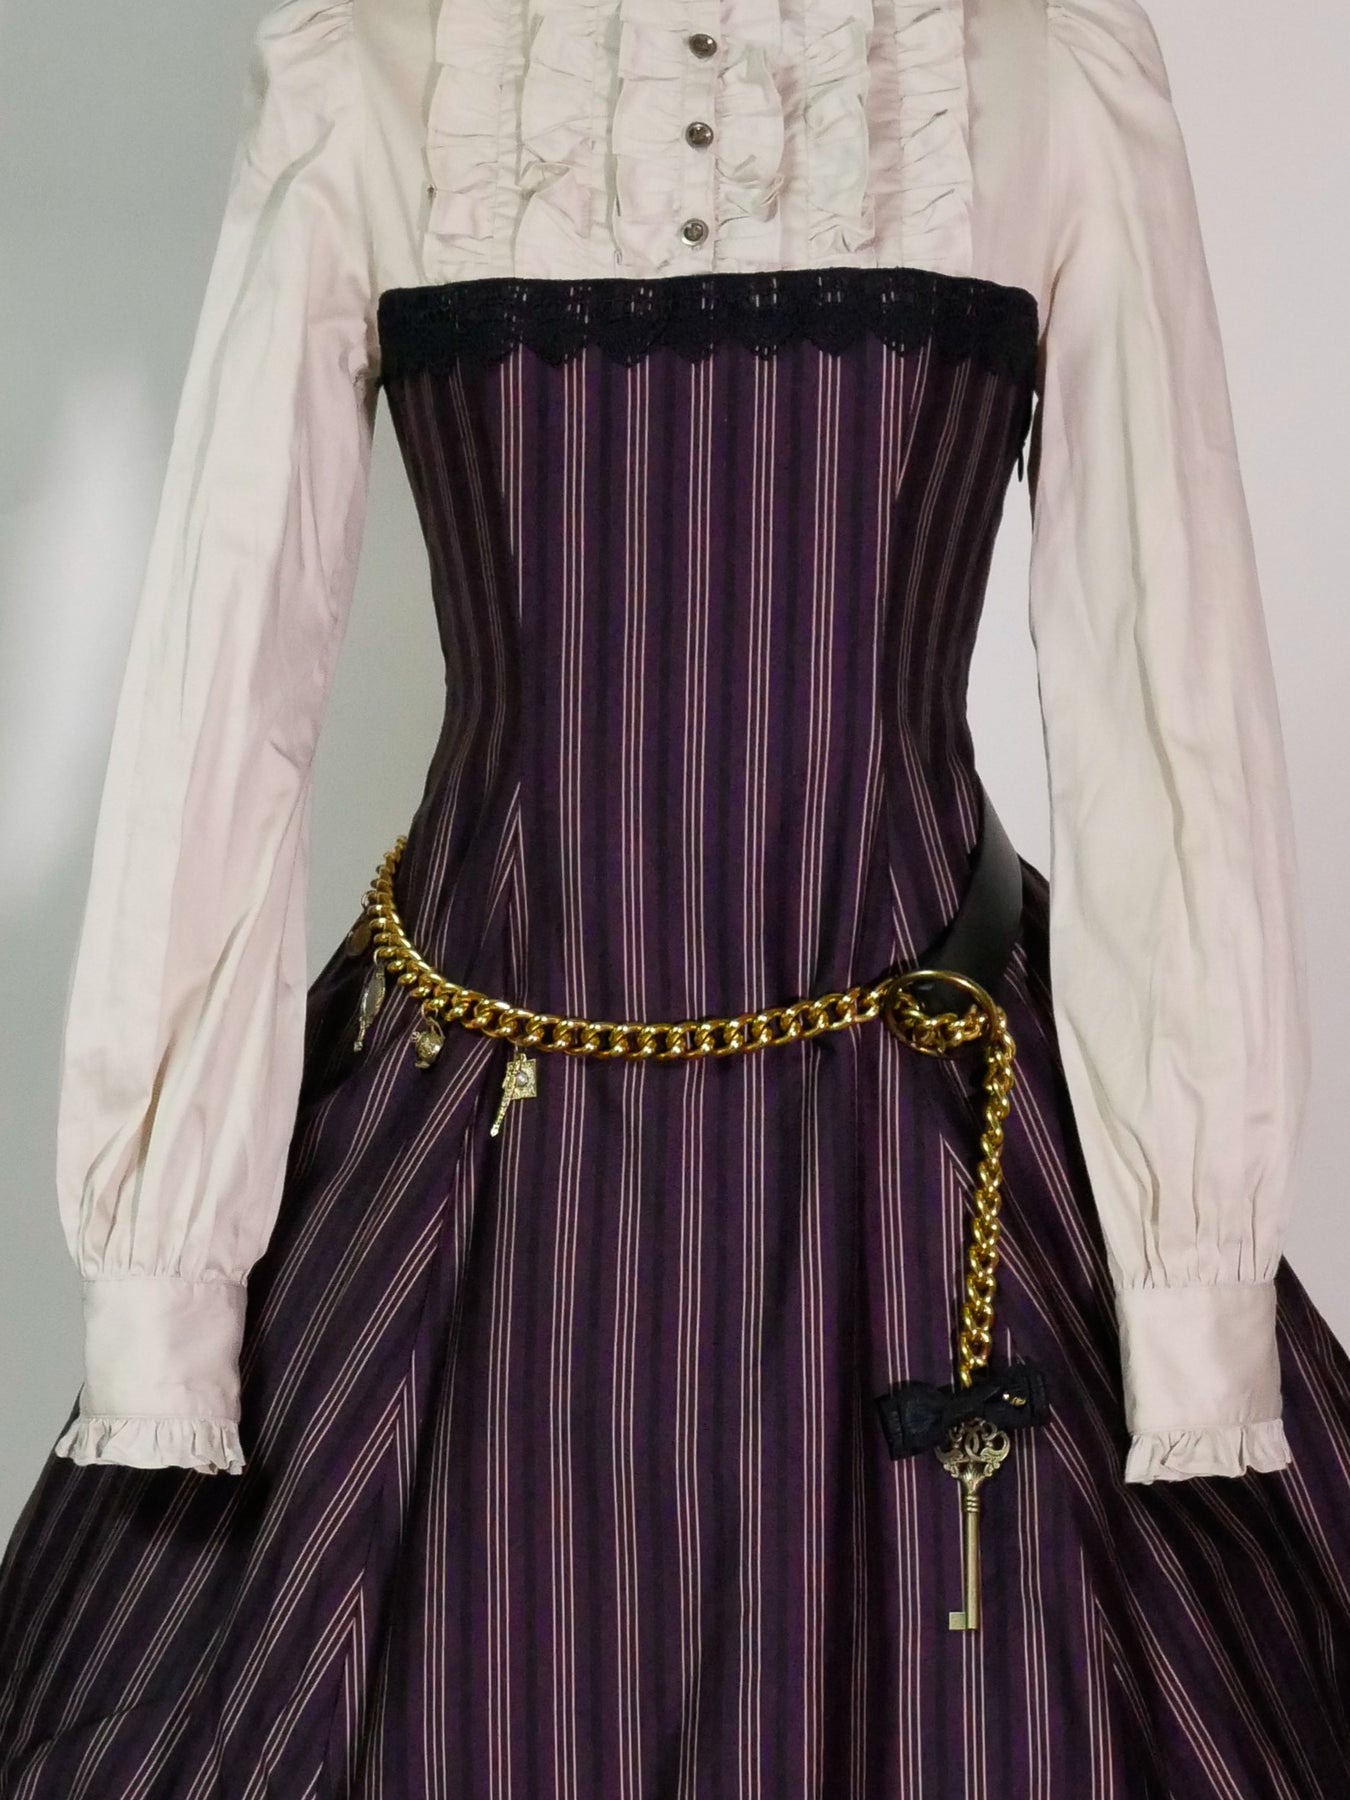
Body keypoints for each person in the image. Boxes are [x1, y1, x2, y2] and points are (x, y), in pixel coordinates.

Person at [2, 0, 1347, 1792]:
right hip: (473, 1121)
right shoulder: (372, 64)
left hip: (919, 1120)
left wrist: (1187, 1303)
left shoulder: (1039, 64)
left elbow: (1159, 662)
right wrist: (166, 1287)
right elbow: (222, 661)